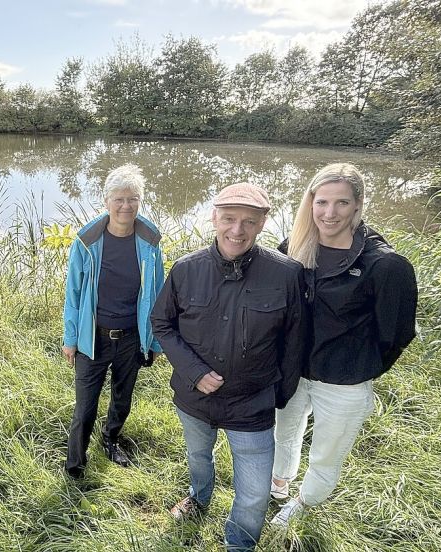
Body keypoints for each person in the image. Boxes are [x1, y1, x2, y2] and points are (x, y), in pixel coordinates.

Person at [151, 182, 306, 551]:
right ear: (214, 217)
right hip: (193, 398)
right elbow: (162, 323)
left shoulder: (287, 274)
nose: (237, 230)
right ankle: (199, 497)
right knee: (198, 456)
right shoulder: (186, 269)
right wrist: (193, 371)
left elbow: (295, 341)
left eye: (248, 222)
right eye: (229, 219)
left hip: (252, 404)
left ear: (262, 224)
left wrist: (277, 394)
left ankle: (238, 544)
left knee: (254, 494)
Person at [269, 163, 418, 526]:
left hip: (344, 380)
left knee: (326, 452)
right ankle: (278, 485)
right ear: (310, 203)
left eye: (341, 203)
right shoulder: (293, 248)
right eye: (321, 202)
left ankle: (303, 506)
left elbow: (396, 335)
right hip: (292, 371)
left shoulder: (385, 265)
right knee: (282, 433)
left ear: (358, 204)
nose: (329, 213)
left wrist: (357, 367)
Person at [63, 164, 165, 479]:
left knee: (123, 397)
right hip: (92, 336)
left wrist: (155, 340)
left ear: (140, 201)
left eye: (132, 199)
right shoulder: (86, 240)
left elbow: (159, 292)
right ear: (106, 201)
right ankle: (75, 464)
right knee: (85, 407)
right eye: (119, 199)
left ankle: (110, 438)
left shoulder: (150, 240)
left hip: (132, 336)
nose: (126, 206)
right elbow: (73, 293)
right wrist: (70, 338)